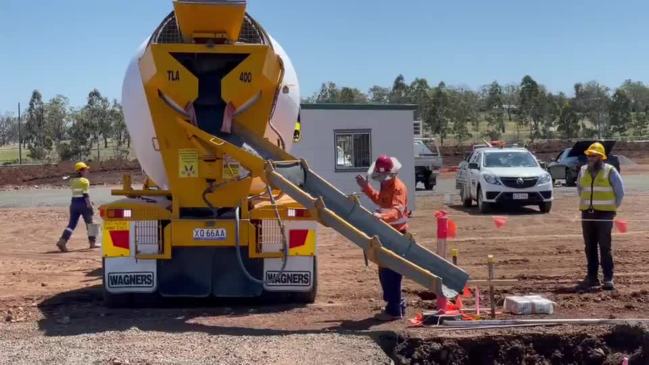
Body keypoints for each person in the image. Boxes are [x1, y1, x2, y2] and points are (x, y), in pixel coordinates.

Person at [356, 155, 409, 321]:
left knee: (390, 272)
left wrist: (382, 217)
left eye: (383, 177)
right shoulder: (386, 185)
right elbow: (380, 199)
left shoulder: (398, 188)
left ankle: (394, 310)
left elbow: (397, 211)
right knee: (384, 271)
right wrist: (366, 187)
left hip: (395, 234)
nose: (382, 181)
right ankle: (395, 305)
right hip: (386, 233)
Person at [576, 142, 624, 290]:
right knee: (589, 247)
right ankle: (592, 277)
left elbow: (620, 192)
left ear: (601, 157)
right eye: (589, 155)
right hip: (587, 214)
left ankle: (608, 278)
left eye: (594, 156)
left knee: (604, 246)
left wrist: (611, 209)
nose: (590, 158)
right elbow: (580, 189)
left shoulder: (610, 171)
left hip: (604, 215)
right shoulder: (583, 170)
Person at [56, 162, 96, 252]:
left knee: (71, 225)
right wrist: (90, 206)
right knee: (91, 224)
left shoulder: (72, 181)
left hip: (74, 204)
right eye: (86, 169)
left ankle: (62, 241)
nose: (87, 171)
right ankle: (92, 243)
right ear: (81, 171)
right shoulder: (85, 181)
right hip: (83, 204)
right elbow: (85, 194)